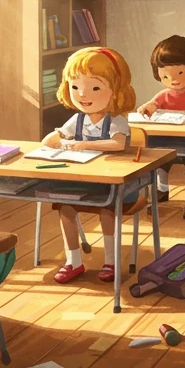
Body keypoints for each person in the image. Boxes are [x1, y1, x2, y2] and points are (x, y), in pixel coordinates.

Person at [45, 46, 138, 284]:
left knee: (107, 210)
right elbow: (50, 140)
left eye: (95, 88)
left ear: (115, 91)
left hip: (115, 187)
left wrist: (83, 145)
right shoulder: (78, 119)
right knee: (65, 207)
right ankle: (73, 261)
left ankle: (110, 261)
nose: (83, 95)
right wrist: (58, 139)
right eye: (75, 87)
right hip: (84, 182)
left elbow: (118, 144)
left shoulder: (116, 120)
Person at [137, 35, 185, 220]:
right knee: (161, 162)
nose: (173, 80)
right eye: (165, 76)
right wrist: (145, 108)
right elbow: (151, 105)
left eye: (179, 73)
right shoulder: (164, 94)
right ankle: (162, 190)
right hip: (166, 141)